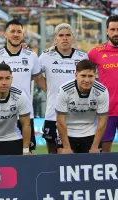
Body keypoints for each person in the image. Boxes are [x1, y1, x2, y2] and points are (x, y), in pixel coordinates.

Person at [0, 19, 46, 152]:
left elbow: (39, 79)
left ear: (23, 35)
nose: (16, 34)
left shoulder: (31, 56)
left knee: (26, 154)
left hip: (24, 113)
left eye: (19, 32)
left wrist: (55, 98)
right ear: (5, 34)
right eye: (12, 31)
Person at [39, 23, 88, 153]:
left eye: (68, 35)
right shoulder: (46, 56)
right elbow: (34, 73)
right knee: (53, 154)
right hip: (52, 114)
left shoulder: (82, 57)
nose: (64, 38)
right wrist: (48, 89)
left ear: (73, 38)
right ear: (55, 39)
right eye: (61, 35)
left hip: (77, 114)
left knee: (75, 154)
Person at [55, 59, 109, 154]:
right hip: (68, 131)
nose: (87, 80)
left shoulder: (102, 91)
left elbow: (103, 121)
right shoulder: (64, 90)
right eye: (83, 76)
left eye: (90, 76)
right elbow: (60, 120)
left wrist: (95, 146)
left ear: (95, 76)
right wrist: (67, 147)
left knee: (93, 164)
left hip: (90, 132)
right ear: (76, 75)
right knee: (64, 157)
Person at [88, 15, 118, 152]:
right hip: (107, 110)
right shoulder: (95, 52)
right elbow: (77, 63)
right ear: (107, 30)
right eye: (112, 29)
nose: (116, 33)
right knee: (105, 152)